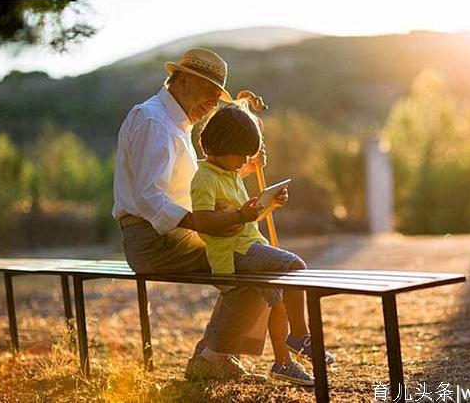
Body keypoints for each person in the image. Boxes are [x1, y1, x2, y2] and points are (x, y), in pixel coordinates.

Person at [112, 48, 276, 380]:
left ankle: (213, 356)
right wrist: (198, 222)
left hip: (168, 235)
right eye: (210, 95)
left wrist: (239, 166)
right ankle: (212, 358)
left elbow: (194, 185)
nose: (212, 106)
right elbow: (149, 196)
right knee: (255, 262)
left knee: (254, 258)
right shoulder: (153, 120)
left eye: (217, 99)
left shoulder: (174, 121)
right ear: (184, 80)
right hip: (153, 241)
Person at [190, 105, 335, 385]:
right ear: (220, 146)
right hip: (232, 253)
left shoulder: (230, 174)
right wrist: (241, 215)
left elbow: (247, 219)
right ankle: (299, 336)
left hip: (247, 245)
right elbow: (203, 222)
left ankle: (283, 363)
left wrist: (269, 205)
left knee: (277, 301)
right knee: (294, 265)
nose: (245, 160)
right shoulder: (205, 179)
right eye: (241, 154)